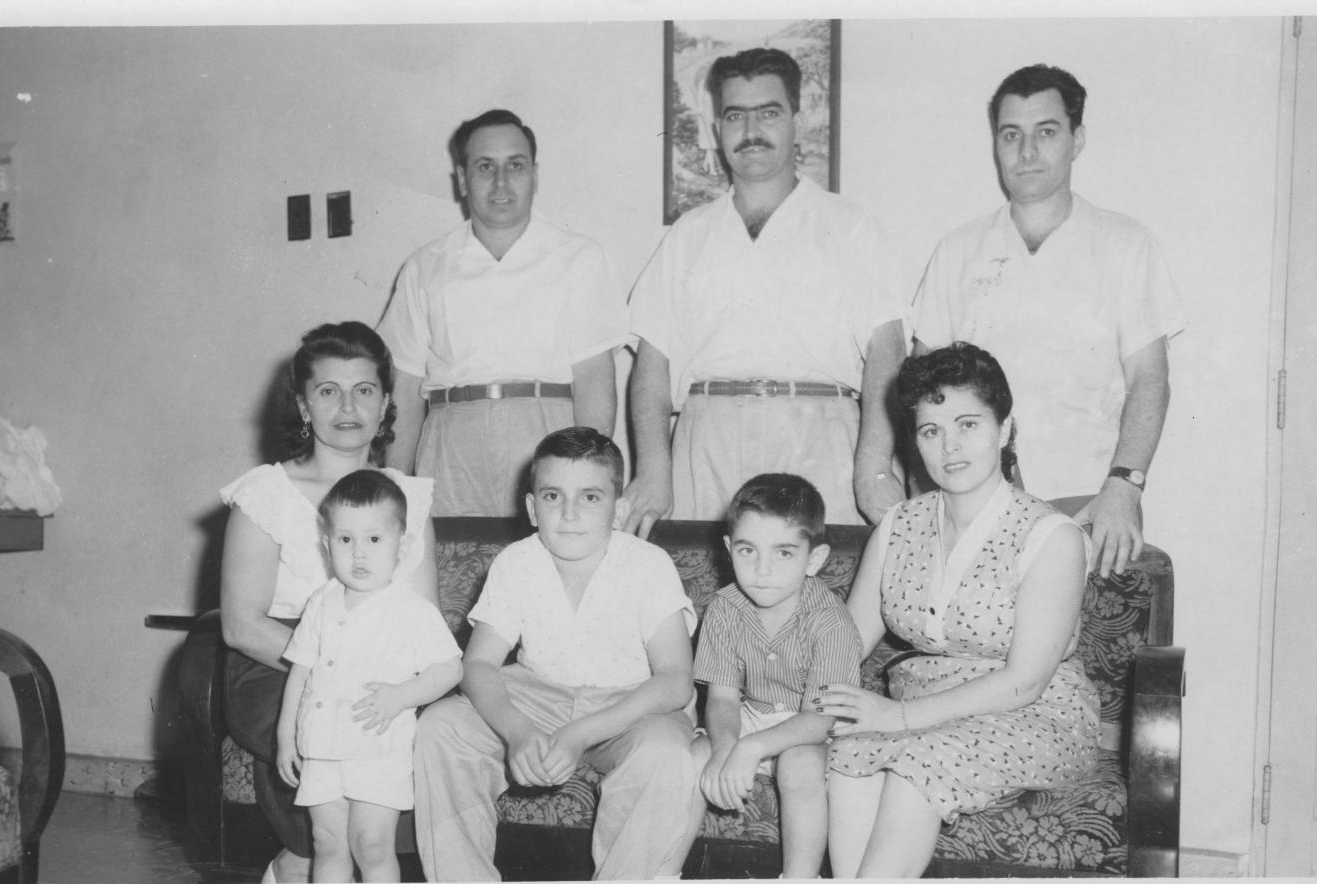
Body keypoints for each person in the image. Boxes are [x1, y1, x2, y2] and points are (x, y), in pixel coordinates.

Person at [817, 342, 1099, 878]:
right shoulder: (898, 526)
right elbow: (843, 647)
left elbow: (1024, 683)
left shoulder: (1051, 536)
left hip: (1032, 716)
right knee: (848, 752)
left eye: (968, 424)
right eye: (931, 431)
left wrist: (898, 718)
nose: (950, 446)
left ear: (1005, 428)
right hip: (923, 710)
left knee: (917, 763)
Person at [910, 63, 1186, 576]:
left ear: (1077, 139)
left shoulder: (1125, 244)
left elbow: (1150, 377)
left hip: (1086, 496)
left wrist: (1125, 486)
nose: (1027, 151)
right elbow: (919, 385)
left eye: (1047, 131)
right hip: (972, 497)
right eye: (1011, 134)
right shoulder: (958, 250)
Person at [625, 46, 908, 534]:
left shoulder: (850, 225)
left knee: (825, 580)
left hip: (821, 436)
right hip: (706, 442)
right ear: (718, 129)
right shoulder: (688, 235)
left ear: (797, 122)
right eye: (736, 115)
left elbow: (888, 353)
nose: (751, 130)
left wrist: (875, 467)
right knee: (703, 579)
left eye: (769, 113)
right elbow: (652, 365)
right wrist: (652, 470)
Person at [413, 427, 701, 881]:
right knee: (442, 726)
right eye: (552, 496)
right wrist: (517, 730)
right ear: (532, 508)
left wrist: (581, 733)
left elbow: (674, 681)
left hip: (628, 704)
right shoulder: (516, 562)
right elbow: (479, 664)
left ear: (618, 509)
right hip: (536, 695)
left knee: (665, 751)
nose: (569, 514)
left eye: (590, 497)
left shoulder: (648, 564)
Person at [219, 321, 439, 884]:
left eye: (364, 390)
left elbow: (423, 623)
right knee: (325, 726)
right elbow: (241, 625)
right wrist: (332, 669)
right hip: (278, 663)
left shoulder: (409, 498)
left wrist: (387, 682)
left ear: (385, 404)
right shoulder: (266, 493)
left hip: (381, 667)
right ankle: (301, 859)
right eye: (327, 390)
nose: (347, 406)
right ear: (303, 405)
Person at [379, 108, 630, 517]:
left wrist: (590, 479)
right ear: (462, 179)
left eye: (515, 166)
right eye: (485, 167)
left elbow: (594, 379)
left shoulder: (581, 258)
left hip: (549, 438)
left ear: (535, 175)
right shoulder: (426, 266)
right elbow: (405, 386)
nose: (501, 182)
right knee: (448, 552)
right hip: (450, 444)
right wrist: (392, 487)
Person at [275, 470, 462, 883]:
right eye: (346, 539)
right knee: (327, 842)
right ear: (327, 545)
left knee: (371, 845)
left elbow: (451, 668)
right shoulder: (320, 603)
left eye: (374, 539)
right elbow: (300, 670)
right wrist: (286, 736)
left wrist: (402, 696)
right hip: (321, 745)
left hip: (378, 747)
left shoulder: (411, 609)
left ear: (402, 546)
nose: (359, 554)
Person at [689, 473, 864, 878]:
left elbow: (818, 721)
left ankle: (799, 877)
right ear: (729, 550)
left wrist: (750, 748)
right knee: (696, 755)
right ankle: (662, 871)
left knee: (798, 766)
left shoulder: (831, 621)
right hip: (752, 714)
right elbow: (723, 699)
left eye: (783, 553)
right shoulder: (724, 608)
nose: (762, 570)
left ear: (814, 559)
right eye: (747, 550)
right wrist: (724, 748)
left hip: (814, 727)